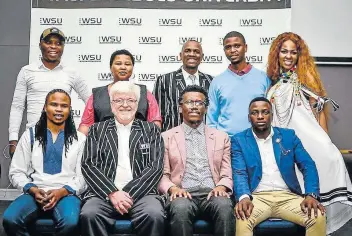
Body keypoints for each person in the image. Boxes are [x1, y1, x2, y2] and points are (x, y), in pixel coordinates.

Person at [266, 32, 352, 233]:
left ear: (298, 55)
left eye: (293, 52)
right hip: (287, 143)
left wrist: (325, 140)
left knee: (317, 187)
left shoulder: (307, 76)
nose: (288, 56)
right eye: (284, 51)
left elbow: (319, 109)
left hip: (310, 141)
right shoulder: (273, 80)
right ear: (277, 54)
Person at [80, 81, 165, 236]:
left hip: (142, 193)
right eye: (119, 100)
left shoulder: (151, 130)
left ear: (137, 104)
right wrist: (113, 192)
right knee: (89, 214)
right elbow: (89, 164)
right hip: (103, 193)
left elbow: (155, 167)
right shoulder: (97, 130)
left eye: (130, 100)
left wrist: (126, 194)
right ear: (111, 104)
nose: (125, 105)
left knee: (154, 214)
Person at [232, 97, 326, 236]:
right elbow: (239, 172)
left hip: (287, 197)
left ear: (272, 115)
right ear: (249, 117)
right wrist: (244, 197)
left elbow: (308, 165)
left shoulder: (288, 136)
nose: (260, 116)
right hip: (257, 198)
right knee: (243, 218)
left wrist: (311, 195)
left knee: (317, 216)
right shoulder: (239, 140)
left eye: (265, 112)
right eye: (255, 113)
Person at [3, 89, 86, 236]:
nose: (59, 109)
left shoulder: (80, 139)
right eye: (54, 104)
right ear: (44, 107)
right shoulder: (29, 135)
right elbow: (16, 171)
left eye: (64, 106)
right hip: (35, 192)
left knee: (71, 222)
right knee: (10, 219)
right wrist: (33, 190)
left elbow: (82, 178)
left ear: (70, 109)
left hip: (67, 194)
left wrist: (62, 192)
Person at [159, 85, 234, 236]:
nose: (194, 107)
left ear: (206, 109)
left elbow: (226, 173)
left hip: (212, 192)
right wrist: (173, 189)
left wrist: (222, 187)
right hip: (182, 192)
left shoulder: (221, 137)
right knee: (180, 209)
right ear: (180, 108)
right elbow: (163, 174)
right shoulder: (166, 137)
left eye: (199, 103)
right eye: (189, 102)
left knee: (225, 206)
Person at [8, 27, 90, 157]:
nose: (53, 47)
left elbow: (91, 102)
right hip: (33, 138)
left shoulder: (72, 73)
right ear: (40, 44)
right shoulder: (27, 71)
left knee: (63, 177)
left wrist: (82, 131)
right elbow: (17, 107)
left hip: (64, 140)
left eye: (58, 43)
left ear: (63, 47)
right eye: (49, 42)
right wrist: (13, 141)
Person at [78, 49, 161, 135]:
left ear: (132, 68)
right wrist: (79, 144)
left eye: (127, 64)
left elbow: (155, 122)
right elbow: (86, 125)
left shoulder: (145, 93)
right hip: (104, 145)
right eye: (118, 64)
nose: (123, 67)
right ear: (111, 67)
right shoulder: (97, 95)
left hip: (138, 144)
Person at [207, 31, 270, 137]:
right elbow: (211, 120)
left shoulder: (264, 78)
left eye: (237, 46)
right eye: (228, 47)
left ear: (245, 47)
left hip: (257, 141)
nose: (232, 50)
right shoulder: (217, 82)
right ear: (224, 51)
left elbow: (270, 114)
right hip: (227, 143)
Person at [153, 40, 213, 132]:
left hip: (205, 138)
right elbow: (156, 115)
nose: (192, 54)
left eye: (196, 51)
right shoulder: (164, 80)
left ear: (202, 57)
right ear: (180, 55)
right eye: (187, 51)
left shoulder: (211, 81)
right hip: (173, 140)